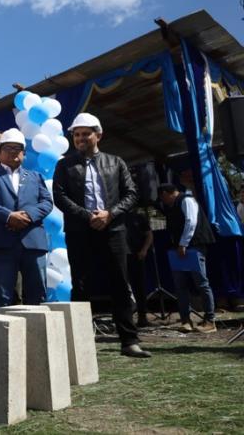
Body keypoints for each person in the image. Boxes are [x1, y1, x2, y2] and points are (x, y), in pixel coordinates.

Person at [52, 113, 150, 358]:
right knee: (81, 285)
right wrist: (88, 216)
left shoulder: (115, 162)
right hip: (79, 232)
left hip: (113, 231)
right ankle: (80, 345)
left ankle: (129, 341)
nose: (80, 138)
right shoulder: (64, 165)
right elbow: (60, 197)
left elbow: (131, 193)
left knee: (120, 284)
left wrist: (110, 214)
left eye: (86, 134)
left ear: (98, 135)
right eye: (76, 135)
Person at [0, 128, 52, 312]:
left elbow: (46, 202)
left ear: (24, 153)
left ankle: (38, 330)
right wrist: (9, 216)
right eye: (8, 148)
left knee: (37, 293)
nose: (13, 152)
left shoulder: (35, 176)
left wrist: (27, 216)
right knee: (2, 295)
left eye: (17, 148)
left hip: (32, 242)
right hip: (1, 243)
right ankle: (2, 331)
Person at [158, 184, 216, 333]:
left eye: (163, 198)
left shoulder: (186, 200)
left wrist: (183, 243)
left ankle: (210, 320)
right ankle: (186, 320)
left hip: (193, 246)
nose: (163, 202)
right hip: (178, 249)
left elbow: (191, 221)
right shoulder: (172, 207)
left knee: (202, 284)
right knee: (180, 286)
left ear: (165, 193)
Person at [125, 207, 153, 327]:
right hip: (121, 256)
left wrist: (144, 250)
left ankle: (142, 317)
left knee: (139, 286)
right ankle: (127, 316)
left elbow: (149, 234)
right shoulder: (116, 216)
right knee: (123, 286)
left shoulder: (139, 216)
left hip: (136, 255)